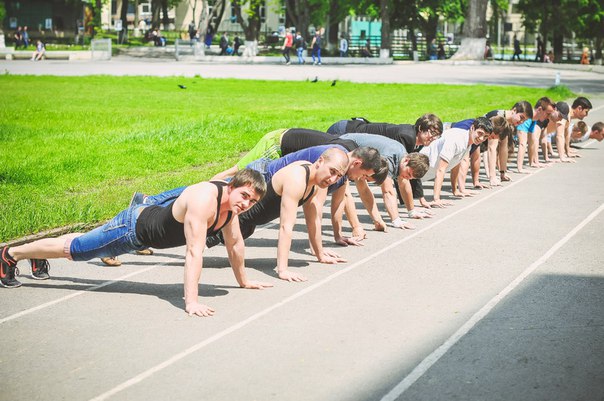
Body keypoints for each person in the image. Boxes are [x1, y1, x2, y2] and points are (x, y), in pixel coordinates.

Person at [0, 170, 272, 317]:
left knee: (77, 245)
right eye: (244, 195)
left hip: (145, 222)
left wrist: (244, 281)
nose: (245, 204)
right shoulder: (205, 200)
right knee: (78, 250)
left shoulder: (231, 210)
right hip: (131, 231)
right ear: (232, 186)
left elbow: (235, 244)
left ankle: (34, 252)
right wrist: (191, 302)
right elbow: (193, 252)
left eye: (252, 202)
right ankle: (10, 253)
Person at [419, 117, 493, 208]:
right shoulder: (456, 140)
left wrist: (455, 190)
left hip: (420, 176)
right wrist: (437, 199)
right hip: (414, 172)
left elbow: (455, 164)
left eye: (485, 136)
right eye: (480, 133)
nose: (481, 138)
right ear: (472, 128)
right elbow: (441, 169)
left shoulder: (468, 141)